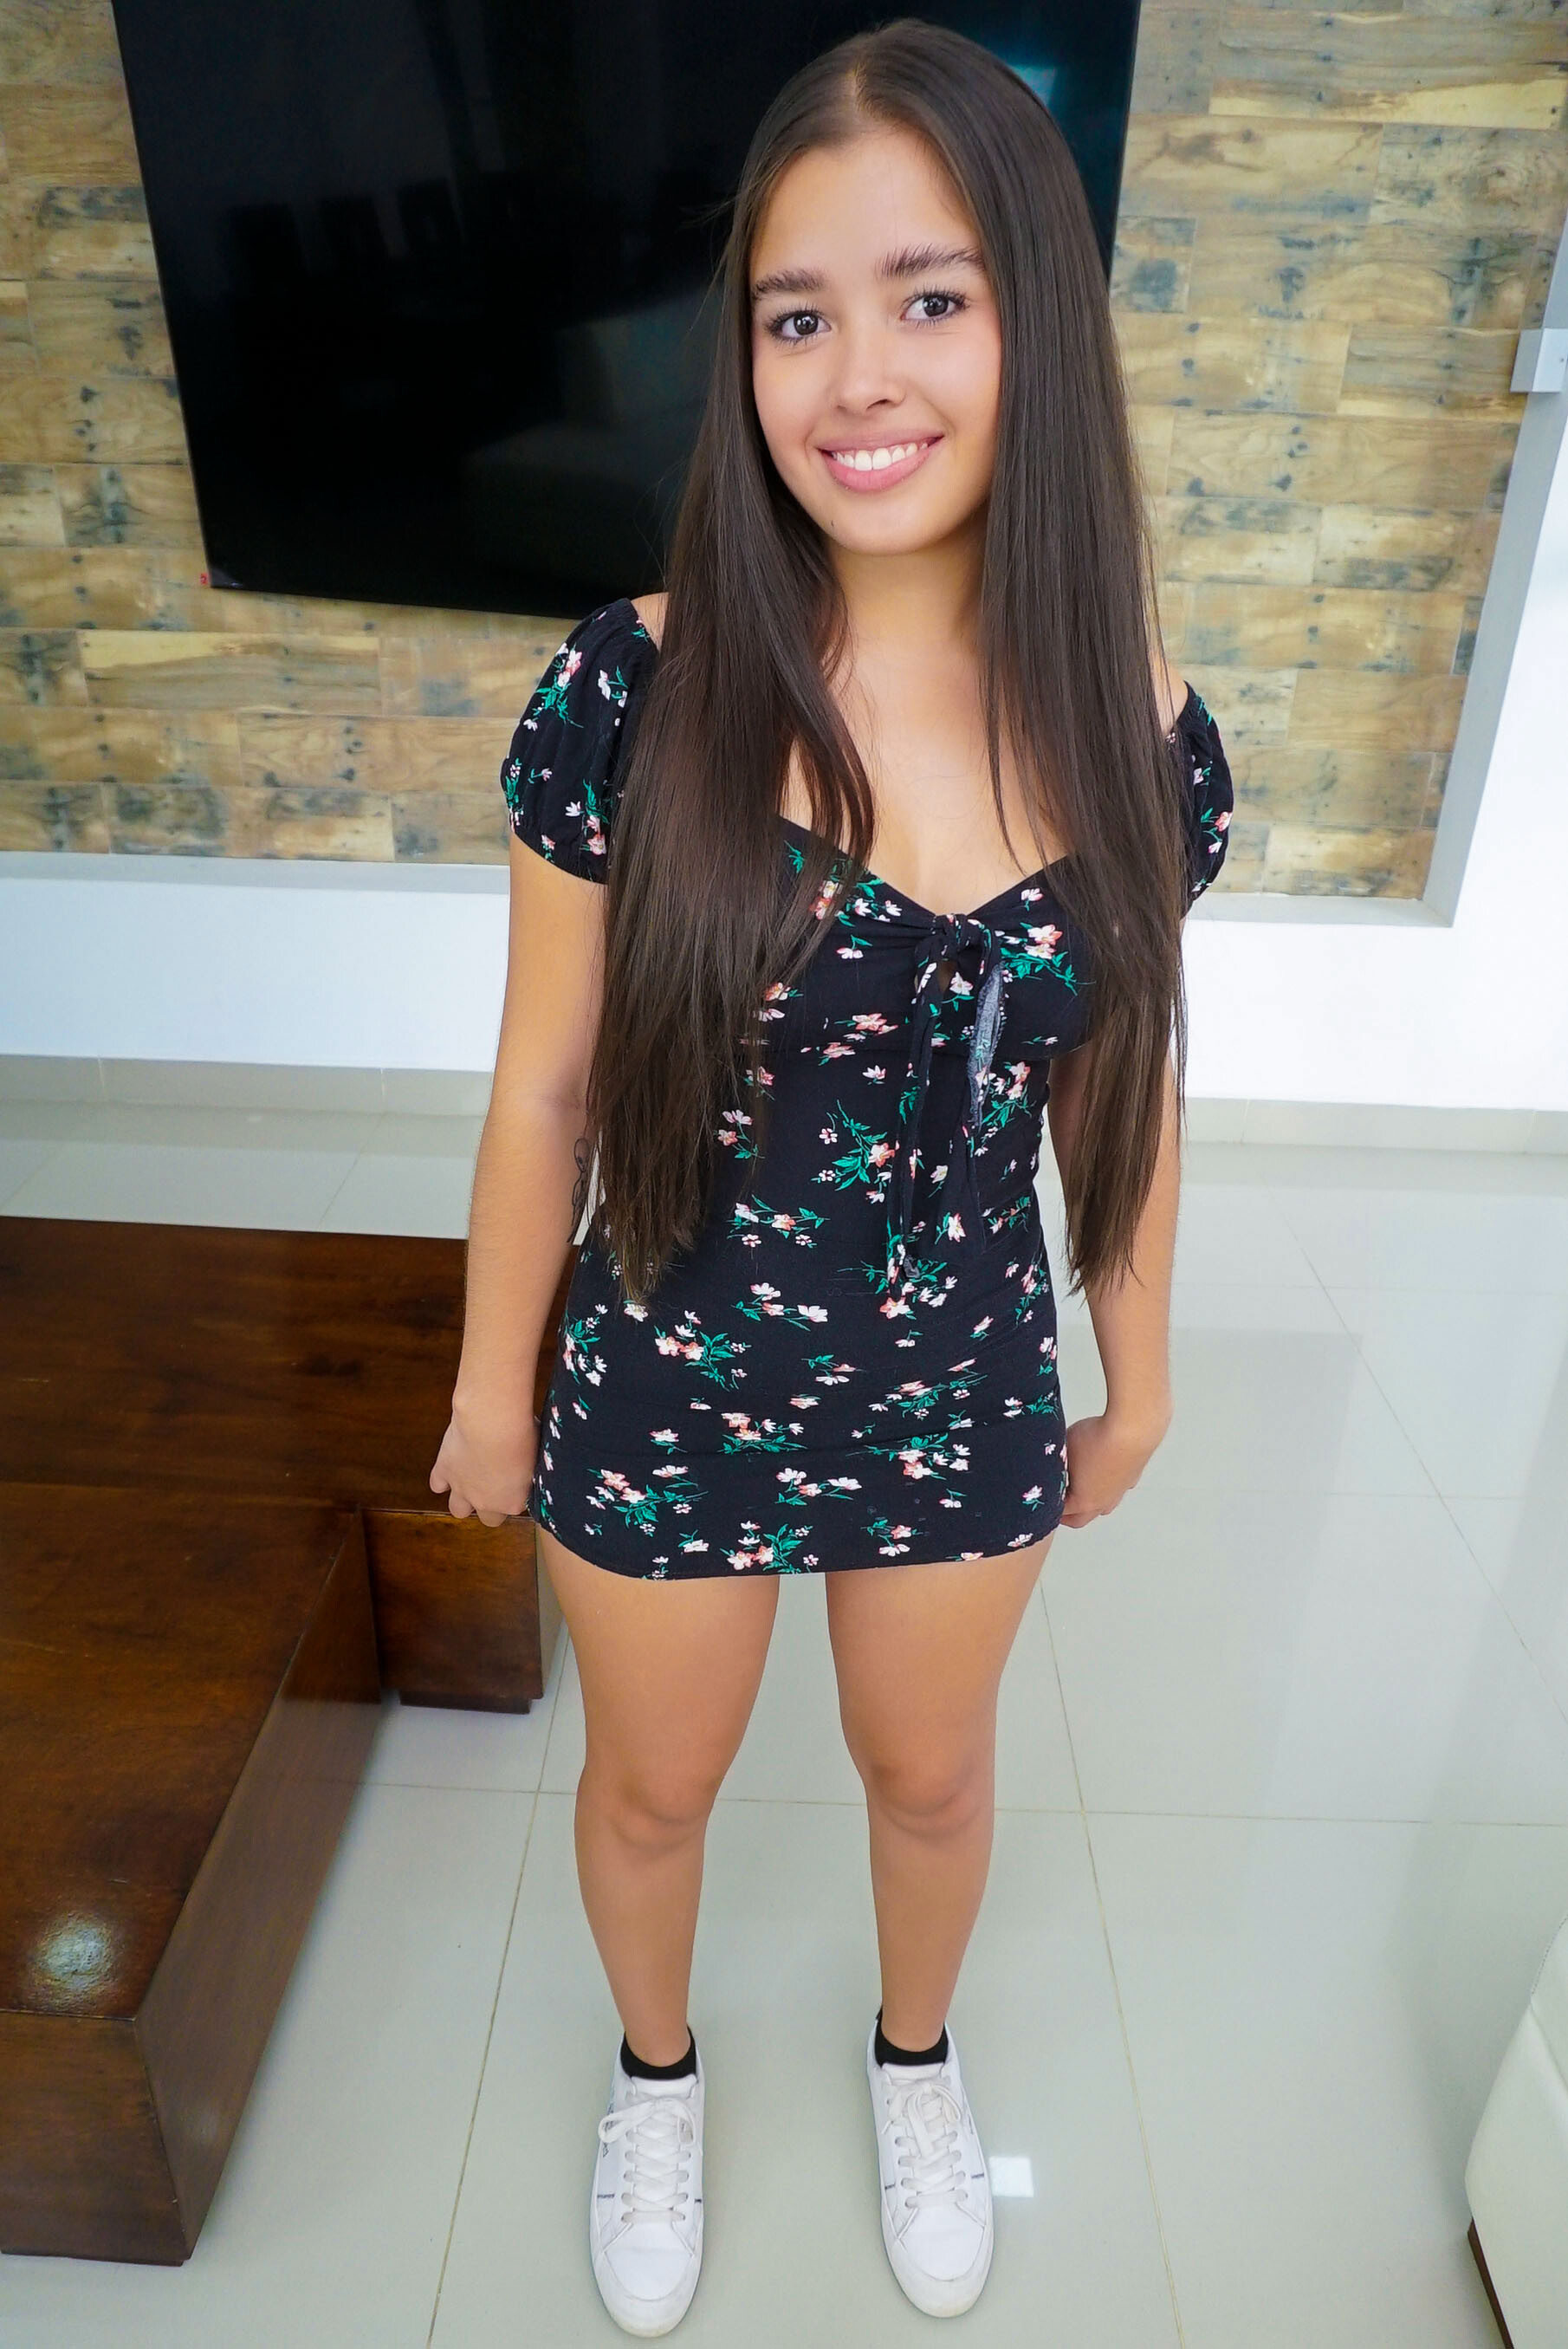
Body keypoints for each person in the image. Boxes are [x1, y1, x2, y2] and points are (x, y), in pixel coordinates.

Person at [431, 16, 1233, 2337]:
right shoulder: (629, 694)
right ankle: (654, 2079)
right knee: (650, 1794)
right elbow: (543, 1089)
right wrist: (492, 1385)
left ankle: (914, 2062)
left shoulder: (1138, 733)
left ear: (1033, 330)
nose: (855, 375)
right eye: (797, 315)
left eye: (929, 296)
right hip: (665, 1371)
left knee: (932, 1778)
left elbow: (1123, 1078)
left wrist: (1139, 1371)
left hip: (958, 1379)